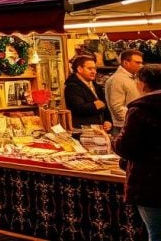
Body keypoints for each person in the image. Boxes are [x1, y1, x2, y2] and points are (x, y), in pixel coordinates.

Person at [113, 64, 161, 241]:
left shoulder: (140, 110)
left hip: (150, 184)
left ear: (141, 83)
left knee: (156, 233)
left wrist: (113, 142)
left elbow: (126, 147)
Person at [64, 54, 112, 131]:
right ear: (79, 69)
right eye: (90, 68)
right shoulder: (72, 87)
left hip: (99, 130)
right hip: (83, 131)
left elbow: (104, 105)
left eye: (95, 69)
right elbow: (78, 108)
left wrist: (108, 120)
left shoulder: (96, 86)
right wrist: (96, 105)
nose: (94, 72)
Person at [107, 49, 145, 133]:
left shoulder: (133, 78)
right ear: (125, 63)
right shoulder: (117, 79)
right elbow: (117, 107)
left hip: (132, 124)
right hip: (123, 127)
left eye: (141, 63)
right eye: (137, 62)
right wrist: (135, 119)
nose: (141, 65)